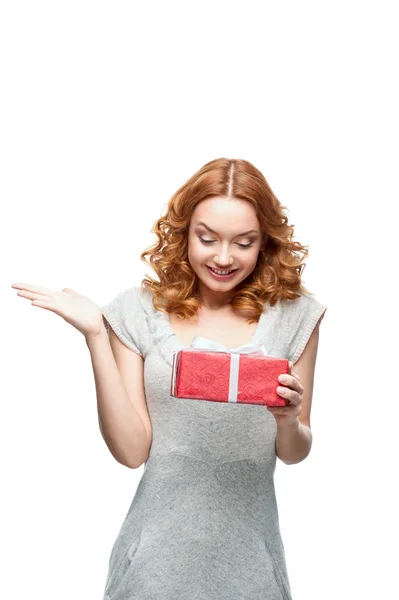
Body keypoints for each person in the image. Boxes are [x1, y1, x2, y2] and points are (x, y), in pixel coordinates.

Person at [11, 157, 327, 599]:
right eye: (207, 238)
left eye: (243, 242)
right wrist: (97, 335)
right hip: (153, 568)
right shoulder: (136, 312)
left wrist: (288, 420)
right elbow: (131, 450)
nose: (222, 257)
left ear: (265, 243)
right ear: (183, 233)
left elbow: (294, 452)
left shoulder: (297, 317)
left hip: (253, 567)